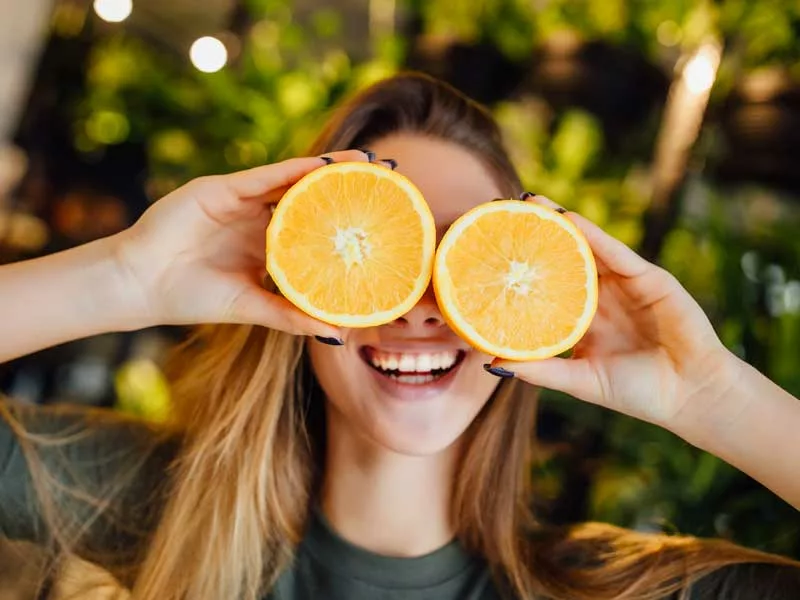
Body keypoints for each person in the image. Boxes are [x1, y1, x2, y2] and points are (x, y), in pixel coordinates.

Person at [0, 73, 799, 600]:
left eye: (463, 253)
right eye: (380, 249)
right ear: (294, 278)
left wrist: (715, 398)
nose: (422, 305)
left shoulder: (624, 590)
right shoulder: (157, 504)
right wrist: (125, 279)